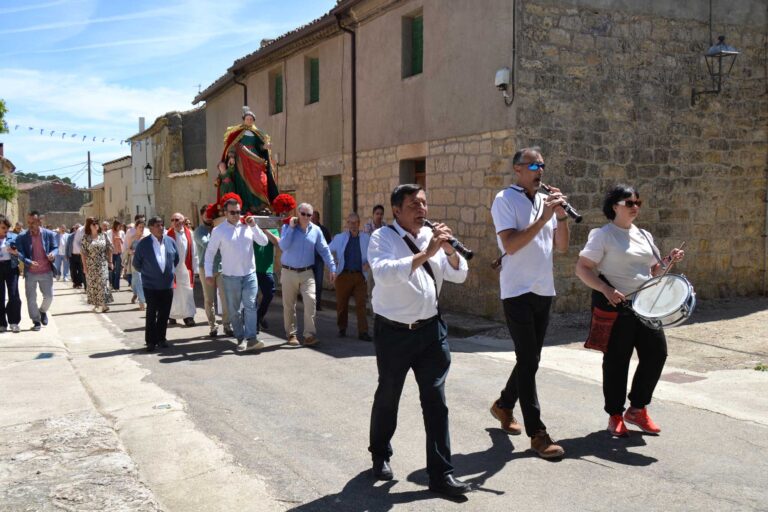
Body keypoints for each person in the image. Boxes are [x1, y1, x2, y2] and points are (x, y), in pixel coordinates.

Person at [367, 184, 470, 496]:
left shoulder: (432, 236)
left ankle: (441, 474)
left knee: (436, 402)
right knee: (389, 395)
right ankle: (380, 453)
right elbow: (384, 274)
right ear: (397, 210)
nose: (421, 209)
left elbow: (459, 275)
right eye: (413, 204)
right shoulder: (382, 238)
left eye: (424, 203)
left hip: (430, 332)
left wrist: (449, 250)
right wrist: (427, 253)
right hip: (393, 333)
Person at [575, 184, 685, 436]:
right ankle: (615, 414)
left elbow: (654, 270)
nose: (635, 207)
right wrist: (605, 289)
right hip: (618, 306)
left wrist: (669, 260)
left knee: (656, 354)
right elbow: (582, 268)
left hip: (645, 306)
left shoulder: (644, 235)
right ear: (615, 206)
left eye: (638, 203)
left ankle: (637, 409)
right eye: (629, 203)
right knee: (617, 360)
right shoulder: (603, 235)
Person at [489, 146, 570, 459]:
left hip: (543, 289)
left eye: (542, 166)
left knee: (530, 359)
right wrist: (543, 218)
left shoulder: (544, 202)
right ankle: (538, 433)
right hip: (517, 291)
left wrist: (560, 216)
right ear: (518, 169)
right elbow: (510, 245)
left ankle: (504, 404)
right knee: (527, 358)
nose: (540, 171)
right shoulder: (504, 199)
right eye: (534, 166)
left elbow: (561, 247)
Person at [205, 198, 269, 351]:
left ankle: (251, 338)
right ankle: (240, 338)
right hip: (230, 276)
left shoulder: (248, 226)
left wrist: (254, 226)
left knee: (250, 306)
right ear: (225, 213)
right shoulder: (218, 230)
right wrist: (208, 273)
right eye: (232, 212)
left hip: (249, 274)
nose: (236, 215)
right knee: (234, 310)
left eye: (238, 212)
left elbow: (264, 242)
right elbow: (210, 253)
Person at [278, 202, 336, 346]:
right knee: (289, 305)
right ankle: (291, 334)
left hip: (307, 272)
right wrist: (291, 228)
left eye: (308, 215)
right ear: (298, 213)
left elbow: (324, 249)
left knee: (311, 301)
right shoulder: (287, 227)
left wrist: (332, 267)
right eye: (303, 214)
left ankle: (309, 335)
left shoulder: (316, 230)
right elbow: (283, 246)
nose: (305, 217)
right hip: (288, 271)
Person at [218, 107, 279, 213]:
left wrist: (265, 147)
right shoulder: (238, 132)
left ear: (253, 121)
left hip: (254, 158)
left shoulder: (257, 133)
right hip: (241, 160)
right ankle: (246, 205)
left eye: (251, 119)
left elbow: (260, 147)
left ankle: (259, 205)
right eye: (247, 119)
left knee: (260, 180)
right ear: (244, 120)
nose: (249, 121)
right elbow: (232, 145)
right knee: (243, 182)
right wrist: (231, 157)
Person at [133, 216, 179, 352]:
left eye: (162, 225)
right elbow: (136, 264)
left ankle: (161, 338)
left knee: (164, 313)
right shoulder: (144, 244)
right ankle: (150, 341)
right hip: (150, 285)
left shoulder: (170, 241)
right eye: (158, 225)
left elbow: (176, 259)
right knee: (151, 312)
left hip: (167, 284)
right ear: (151, 228)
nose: (161, 228)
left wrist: (169, 272)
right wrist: (149, 273)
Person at [329, 212, 371, 341]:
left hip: (360, 276)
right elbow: (327, 251)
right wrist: (333, 264)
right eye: (350, 222)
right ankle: (342, 328)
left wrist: (369, 263)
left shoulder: (366, 238)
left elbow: (374, 253)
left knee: (361, 304)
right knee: (342, 304)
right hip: (343, 275)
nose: (353, 225)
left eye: (355, 222)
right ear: (347, 224)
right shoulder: (339, 238)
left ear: (359, 224)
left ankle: (363, 332)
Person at [13, 211, 59, 332]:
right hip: (31, 273)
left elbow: (55, 247)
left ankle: (42, 311)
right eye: (28, 222)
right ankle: (36, 321)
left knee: (49, 297)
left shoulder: (49, 234)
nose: (30, 225)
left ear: (39, 221)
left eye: (33, 222)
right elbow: (20, 253)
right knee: (31, 299)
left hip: (46, 271)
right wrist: (28, 262)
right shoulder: (22, 237)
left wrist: (52, 254)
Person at [194, 204, 232, 337]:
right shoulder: (199, 231)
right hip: (206, 268)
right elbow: (207, 244)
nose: (209, 217)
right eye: (206, 215)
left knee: (225, 297)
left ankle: (227, 325)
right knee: (209, 299)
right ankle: (213, 326)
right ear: (202, 216)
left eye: (211, 215)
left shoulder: (220, 229)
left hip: (221, 267)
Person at [167, 213, 196, 327]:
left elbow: (194, 251)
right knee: (174, 293)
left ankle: (188, 316)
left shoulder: (189, 234)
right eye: (172, 220)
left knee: (187, 292)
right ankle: (172, 315)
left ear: (183, 221)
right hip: (174, 268)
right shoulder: (167, 235)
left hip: (186, 267)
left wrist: (195, 268)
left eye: (177, 220)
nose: (174, 222)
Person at [82, 217, 114, 313]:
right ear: (89, 226)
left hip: (102, 263)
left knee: (103, 283)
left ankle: (103, 305)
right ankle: (96, 304)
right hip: (91, 265)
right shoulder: (86, 238)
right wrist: (85, 267)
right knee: (93, 285)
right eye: (93, 224)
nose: (96, 225)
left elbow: (110, 248)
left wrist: (110, 262)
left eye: (97, 223)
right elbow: (83, 253)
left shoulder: (103, 235)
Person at [254, 223, 280, 333]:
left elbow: (278, 243)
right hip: (253, 269)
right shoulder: (252, 227)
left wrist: (265, 231)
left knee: (269, 293)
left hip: (267, 269)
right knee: (253, 297)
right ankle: (254, 323)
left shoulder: (273, 229)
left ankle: (259, 315)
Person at [0, 215, 22, 333]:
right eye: (3, 227)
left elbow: (22, 252)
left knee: (13, 295)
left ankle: (14, 322)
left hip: (11, 267)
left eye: (7, 228)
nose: (6, 230)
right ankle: (1, 323)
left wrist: (15, 252)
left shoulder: (14, 237)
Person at [310, 210, 332, 310]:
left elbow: (329, 244)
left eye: (315, 219)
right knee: (309, 283)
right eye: (312, 219)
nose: (313, 220)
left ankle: (317, 304)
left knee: (318, 283)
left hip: (319, 260)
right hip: (308, 260)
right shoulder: (306, 229)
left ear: (318, 219)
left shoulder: (323, 230)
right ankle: (310, 304)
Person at [129, 219, 148, 311]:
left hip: (144, 262)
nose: (141, 229)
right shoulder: (132, 238)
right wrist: (132, 251)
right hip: (135, 261)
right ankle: (142, 301)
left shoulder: (146, 238)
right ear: (136, 228)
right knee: (137, 279)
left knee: (138, 280)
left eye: (143, 227)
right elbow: (128, 249)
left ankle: (136, 293)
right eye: (140, 227)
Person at [109, 220, 125, 291]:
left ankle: (117, 286)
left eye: (120, 226)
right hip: (112, 252)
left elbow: (124, 242)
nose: (119, 227)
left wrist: (120, 239)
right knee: (112, 269)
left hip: (119, 252)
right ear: (115, 225)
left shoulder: (122, 232)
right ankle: (112, 284)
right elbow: (108, 242)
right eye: (118, 226)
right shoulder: (110, 232)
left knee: (118, 269)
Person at [69, 223, 86, 289]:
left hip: (81, 255)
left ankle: (79, 283)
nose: (77, 229)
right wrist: (67, 254)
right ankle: (75, 282)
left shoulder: (83, 236)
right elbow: (68, 245)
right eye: (76, 228)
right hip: (72, 255)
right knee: (73, 270)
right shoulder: (70, 236)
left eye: (78, 228)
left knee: (81, 270)